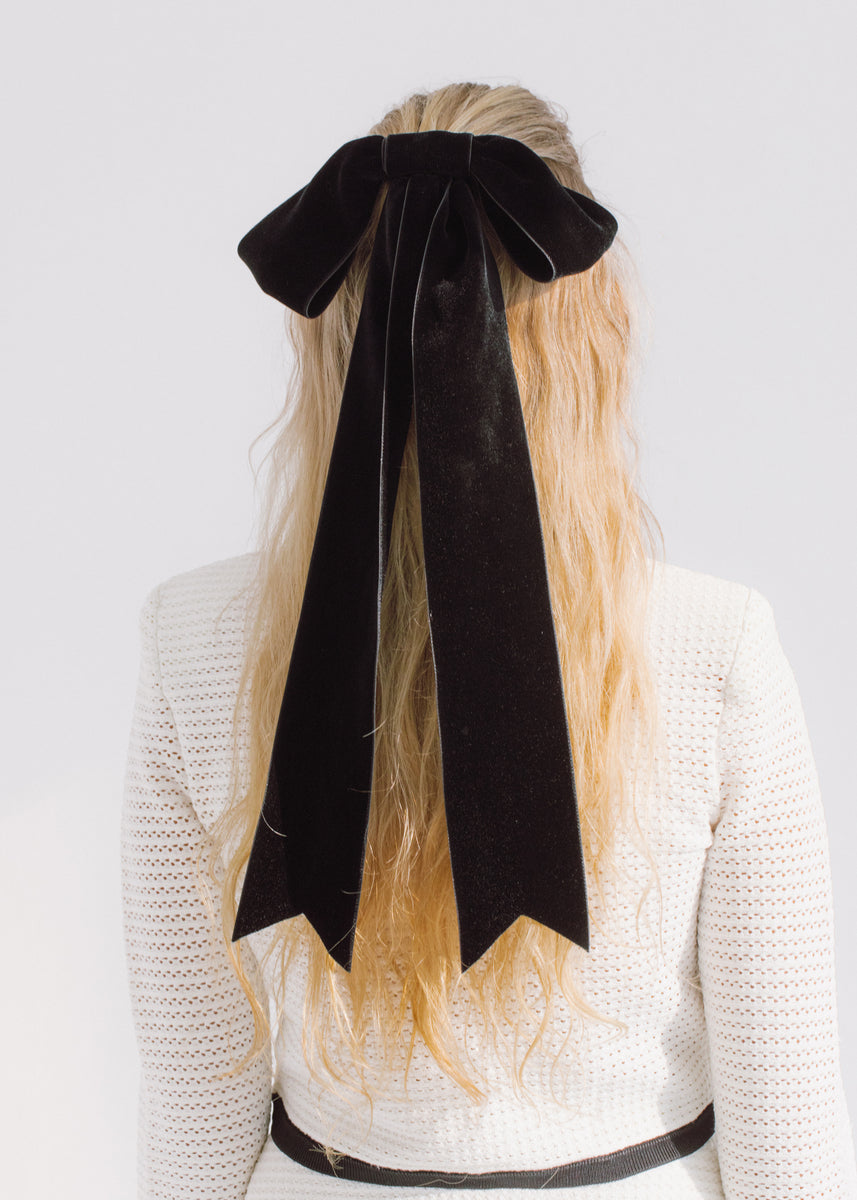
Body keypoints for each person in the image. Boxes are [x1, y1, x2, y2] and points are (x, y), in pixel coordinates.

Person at [121, 81, 857, 1199]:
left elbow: (196, 1093)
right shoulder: (713, 649)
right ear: (595, 330)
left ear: (326, 329)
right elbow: (784, 1123)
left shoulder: (193, 639)